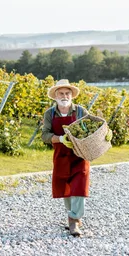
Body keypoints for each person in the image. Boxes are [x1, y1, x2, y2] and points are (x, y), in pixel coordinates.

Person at [41, 79, 89, 237]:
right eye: (61, 93)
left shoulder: (80, 111)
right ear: (55, 95)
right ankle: (71, 214)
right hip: (61, 155)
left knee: (79, 187)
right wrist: (60, 139)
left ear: (72, 95)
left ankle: (75, 220)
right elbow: (45, 135)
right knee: (65, 188)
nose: (64, 96)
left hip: (80, 155)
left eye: (67, 93)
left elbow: (91, 130)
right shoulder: (50, 113)